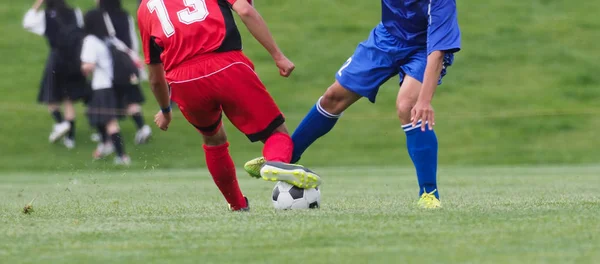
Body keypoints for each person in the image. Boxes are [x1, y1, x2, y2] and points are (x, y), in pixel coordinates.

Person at [245, 0, 461, 209]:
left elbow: (438, 52)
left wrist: (424, 101)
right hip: (386, 38)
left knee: (408, 105)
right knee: (332, 98)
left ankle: (429, 193)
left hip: (425, 49)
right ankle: (281, 160)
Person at [137, 0, 321, 211]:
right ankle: (275, 161)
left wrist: (166, 110)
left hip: (183, 80)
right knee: (276, 134)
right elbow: (245, 10)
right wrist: (278, 56)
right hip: (226, 64)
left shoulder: (144, 8)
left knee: (213, 139)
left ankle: (237, 204)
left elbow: (154, 75)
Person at [23, 0, 87, 149]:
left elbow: (27, 22)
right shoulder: (75, 12)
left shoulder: (45, 15)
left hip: (56, 59)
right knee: (68, 99)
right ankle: (70, 139)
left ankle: (60, 123)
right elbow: (82, 31)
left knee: (51, 97)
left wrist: (37, 4)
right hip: (74, 59)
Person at [93, 0, 152, 145]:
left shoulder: (101, 17)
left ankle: (107, 135)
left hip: (110, 65)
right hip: (127, 62)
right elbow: (132, 39)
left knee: (106, 100)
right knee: (130, 97)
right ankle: (142, 127)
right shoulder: (125, 15)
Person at [81, 10, 131, 165]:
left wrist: (82, 70)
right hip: (112, 85)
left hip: (101, 86)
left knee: (109, 122)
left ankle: (121, 156)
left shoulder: (90, 40)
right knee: (97, 117)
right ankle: (105, 145)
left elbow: (88, 65)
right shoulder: (108, 40)